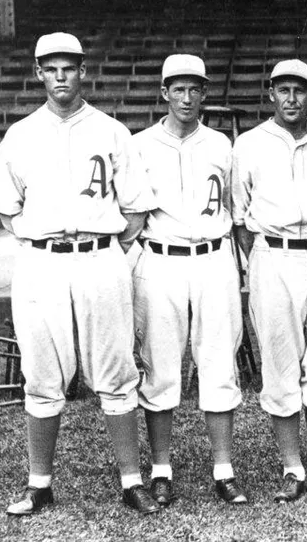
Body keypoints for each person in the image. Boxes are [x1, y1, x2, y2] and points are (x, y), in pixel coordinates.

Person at [0, 32, 159, 515]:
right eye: (51, 68)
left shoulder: (111, 131)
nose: (61, 76)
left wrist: (104, 248)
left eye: (69, 67)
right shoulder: (20, 134)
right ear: (39, 73)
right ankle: (38, 483)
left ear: (83, 71)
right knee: (42, 375)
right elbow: (7, 210)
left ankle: (131, 480)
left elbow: (135, 210)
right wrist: (42, 239)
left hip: (100, 258)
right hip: (42, 263)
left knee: (115, 371)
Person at [231, 59, 307, 502]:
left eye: (300, 91)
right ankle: (291, 468)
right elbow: (240, 218)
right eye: (283, 90)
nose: (291, 99)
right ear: (270, 94)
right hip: (274, 254)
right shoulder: (249, 144)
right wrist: (263, 259)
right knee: (280, 361)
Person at [131, 54, 247, 506]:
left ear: (205, 93)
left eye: (194, 88)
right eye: (177, 88)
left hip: (214, 256)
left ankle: (224, 469)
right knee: (160, 366)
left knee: (219, 361)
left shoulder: (222, 144)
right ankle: (161, 469)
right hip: (160, 258)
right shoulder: (139, 144)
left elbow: (236, 211)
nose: (186, 97)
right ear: (164, 92)